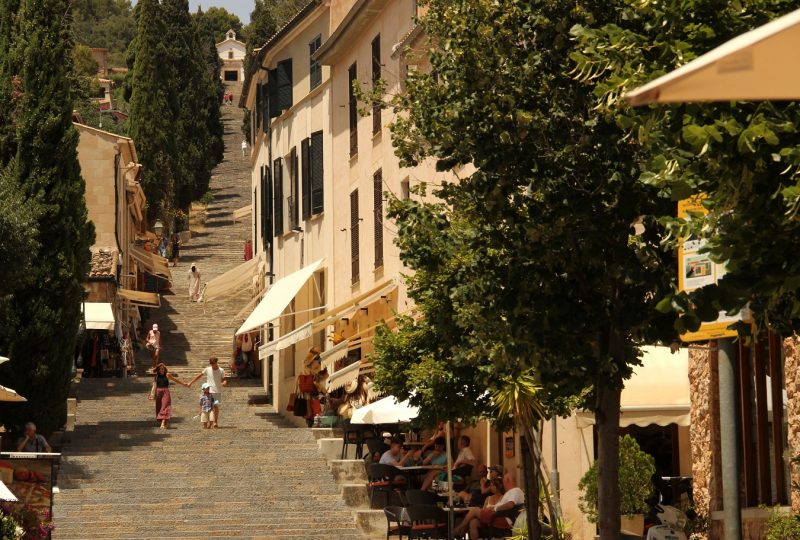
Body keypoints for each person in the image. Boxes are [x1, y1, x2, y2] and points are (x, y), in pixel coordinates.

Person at [453, 471, 525, 539]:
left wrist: (496, 508)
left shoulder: (515, 491)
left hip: (502, 519)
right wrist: (493, 507)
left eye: (504, 482)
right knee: (473, 522)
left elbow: (510, 505)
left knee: (474, 510)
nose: (504, 485)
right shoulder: (513, 491)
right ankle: (460, 531)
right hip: (499, 516)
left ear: (508, 481)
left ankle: (458, 529)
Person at [188, 357, 227, 428]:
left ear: (216, 362)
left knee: (216, 407)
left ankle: (215, 422)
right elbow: (199, 376)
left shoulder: (221, 370)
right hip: (208, 391)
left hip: (217, 391)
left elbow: (224, 379)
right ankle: (209, 422)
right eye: (211, 364)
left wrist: (224, 383)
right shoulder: (207, 369)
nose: (212, 365)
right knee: (208, 406)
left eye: (213, 363)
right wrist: (191, 382)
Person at [149, 363, 189, 429]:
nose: (162, 370)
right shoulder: (156, 377)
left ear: (165, 369)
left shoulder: (167, 375)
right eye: (160, 369)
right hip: (158, 392)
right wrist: (152, 395)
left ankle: (163, 423)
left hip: (166, 392)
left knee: (165, 406)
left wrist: (183, 384)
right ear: (158, 370)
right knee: (159, 407)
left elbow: (175, 380)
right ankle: (165, 422)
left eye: (163, 369)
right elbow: (154, 386)